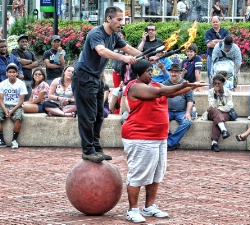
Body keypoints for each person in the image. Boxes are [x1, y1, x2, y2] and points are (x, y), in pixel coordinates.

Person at [122, 60, 205, 223]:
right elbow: (162, 93)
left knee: (156, 173)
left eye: (151, 71)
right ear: (139, 73)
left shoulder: (154, 84)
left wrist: (192, 86)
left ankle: (149, 207)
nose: (151, 74)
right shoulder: (135, 87)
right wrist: (184, 85)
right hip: (140, 136)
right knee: (138, 174)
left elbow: (171, 93)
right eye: (148, 71)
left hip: (159, 137)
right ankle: (132, 210)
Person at [72, 6, 142, 163]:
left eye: (122, 20)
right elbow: (102, 51)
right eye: (118, 20)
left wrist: (146, 58)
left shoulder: (114, 36)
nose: (121, 23)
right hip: (83, 77)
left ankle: (96, 148)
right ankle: (88, 150)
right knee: (87, 116)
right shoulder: (96, 33)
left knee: (98, 115)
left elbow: (128, 48)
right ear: (108, 19)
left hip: (96, 78)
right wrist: (123, 58)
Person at [162, 64, 195, 151]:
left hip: (182, 111)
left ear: (180, 73)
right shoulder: (164, 84)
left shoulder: (185, 84)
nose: (173, 74)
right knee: (158, 120)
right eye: (172, 72)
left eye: (176, 72)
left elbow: (190, 100)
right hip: (167, 111)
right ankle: (172, 142)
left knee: (186, 122)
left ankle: (170, 142)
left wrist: (188, 113)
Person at [202, 75, 234, 152]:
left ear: (223, 83)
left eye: (218, 84)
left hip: (225, 113)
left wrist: (218, 109)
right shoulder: (210, 92)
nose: (216, 86)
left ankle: (214, 143)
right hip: (212, 113)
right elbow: (211, 106)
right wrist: (216, 95)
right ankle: (224, 130)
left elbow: (229, 106)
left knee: (217, 119)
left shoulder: (228, 92)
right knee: (215, 112)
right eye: (214, 84)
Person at [0, 63, 27, 148]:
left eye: (13, 72)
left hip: (16, 105)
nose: (12, 74)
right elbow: (0, 99)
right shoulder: (2, 84)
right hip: (4, 105)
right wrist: (5, 110)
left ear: (17, 73)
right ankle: (1, 140)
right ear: (6, 73)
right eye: (10, 72)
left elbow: (21, 100)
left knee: (19, 118)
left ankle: (14, 140)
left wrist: (12, 111)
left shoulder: (21, 84)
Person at [11, 35, 39, 101]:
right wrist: (30, 61)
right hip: (19, 80)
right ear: (18, 43)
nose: (24, 43)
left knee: (27, 101)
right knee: (18, 100)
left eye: (26, 42)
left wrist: (23, 65)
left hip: (29, 80)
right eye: (22, 42)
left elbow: (36, 64)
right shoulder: (14, 51)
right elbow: (18, 60)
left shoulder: (30, 53)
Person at [205, 16, 230, 83]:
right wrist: (222, 41)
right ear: (211, 23)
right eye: (213, 22)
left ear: (220, 22)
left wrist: (215, 41)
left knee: (223, 74)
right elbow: (209, 44)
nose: (215, 23)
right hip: (211, 57)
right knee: (211, 74)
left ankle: (223, 90)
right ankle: (211, 90)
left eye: (216, 22)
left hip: (223, 58)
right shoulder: (208, 32)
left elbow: (227, 43)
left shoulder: (225, 32)